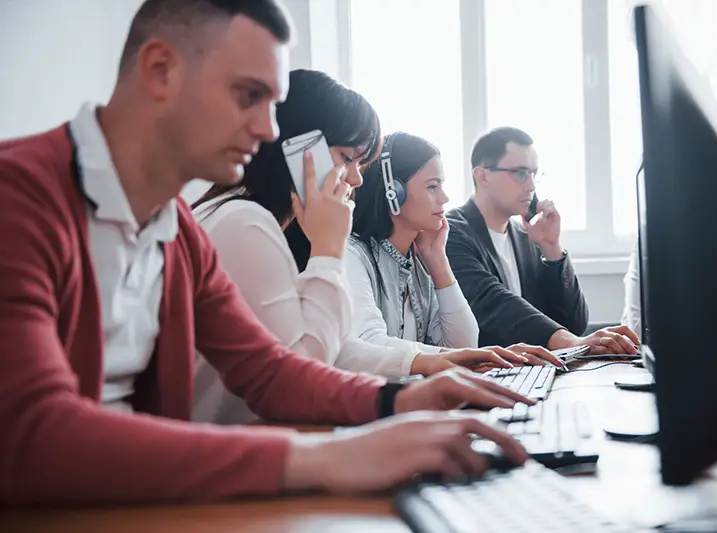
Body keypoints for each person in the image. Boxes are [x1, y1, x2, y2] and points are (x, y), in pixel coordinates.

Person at [0, 0, 531, 506]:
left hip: (130, 503)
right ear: (160, 70)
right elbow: (30, 436)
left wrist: (400, 400)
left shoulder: (176, 226)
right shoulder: (18, 196)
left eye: (273, 105)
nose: (269, 130)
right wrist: (323, 458)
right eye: (247, 95)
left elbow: (268, 370)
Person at [191, 70, 519, 425]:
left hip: (256, 437)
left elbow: (333, 346)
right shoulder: (245, 224)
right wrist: (328, 251)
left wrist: (434, 361)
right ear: (299, 150)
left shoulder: (258, 224)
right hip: (227, 449)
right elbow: (302, 370)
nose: (357, 178)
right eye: (348, 159)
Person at [346, 132, 562, 370]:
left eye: (442, 185)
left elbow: (462, 343)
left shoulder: (419, 262)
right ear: (393, 193)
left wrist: (438, 260)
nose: (444, 197)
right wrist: (475, 356)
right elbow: (371, 343)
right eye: (432, 187)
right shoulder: (352, 256)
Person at [446, 127, 640, 354]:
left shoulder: (525, 236)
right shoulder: (452, 232)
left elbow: (574, 324)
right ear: (483, 176)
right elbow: (489, 301)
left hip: (534, 372)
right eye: (520, 173)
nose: (531, 185)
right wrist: (569, 342)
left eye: (533, 174)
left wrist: (552, 249)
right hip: (487, 374)